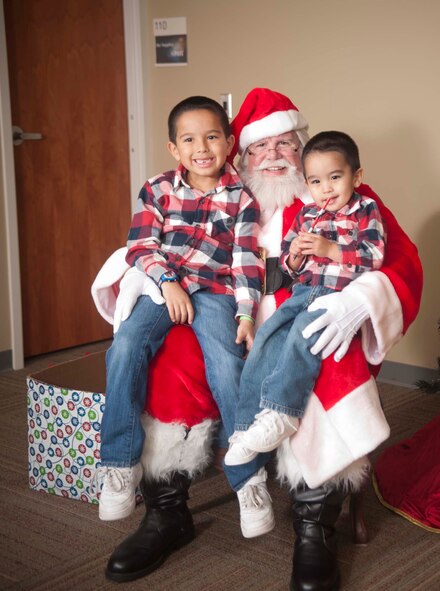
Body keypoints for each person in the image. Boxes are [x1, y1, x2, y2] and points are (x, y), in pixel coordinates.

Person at [91, 88, 423, 590]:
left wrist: (362, 299)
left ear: (304, 151)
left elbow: (398, 258)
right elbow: (153, 242)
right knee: (168, 356)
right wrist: (156, 281)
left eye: (286, 145)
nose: (273, 157)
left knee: (325, 362)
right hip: (226, 308)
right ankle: (166, 510)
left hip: (304, 312)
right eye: (259, 149)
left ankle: (314, 522)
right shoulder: (223, 197)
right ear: (239, 155)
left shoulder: (336, 193)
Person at [97, 96, 269, 535]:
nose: (202, 147)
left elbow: (246, 263)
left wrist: (246, 315)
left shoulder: (242, 200)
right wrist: (166, 282)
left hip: (214, 292)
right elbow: (140, 245)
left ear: (229, 143)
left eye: (212, 136)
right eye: (189, 139)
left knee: (228, 365)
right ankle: (118, 467)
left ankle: (248, 479)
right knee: (125, 349)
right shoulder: (156, 188)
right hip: (164, 287)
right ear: (174, 148)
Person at [225, 131, 386, 466]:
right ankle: (243, 428)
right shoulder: (308, 213)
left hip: (334, 297)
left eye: (335, 178)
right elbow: (287, 263)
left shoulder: (364, 208)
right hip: (303, 291)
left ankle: (283, 413)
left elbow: (374, 255)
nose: (325, 188)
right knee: (267, 339)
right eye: (315, 181)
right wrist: (295, 255)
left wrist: (332, 250)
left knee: (301, 336)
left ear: (356, 177)